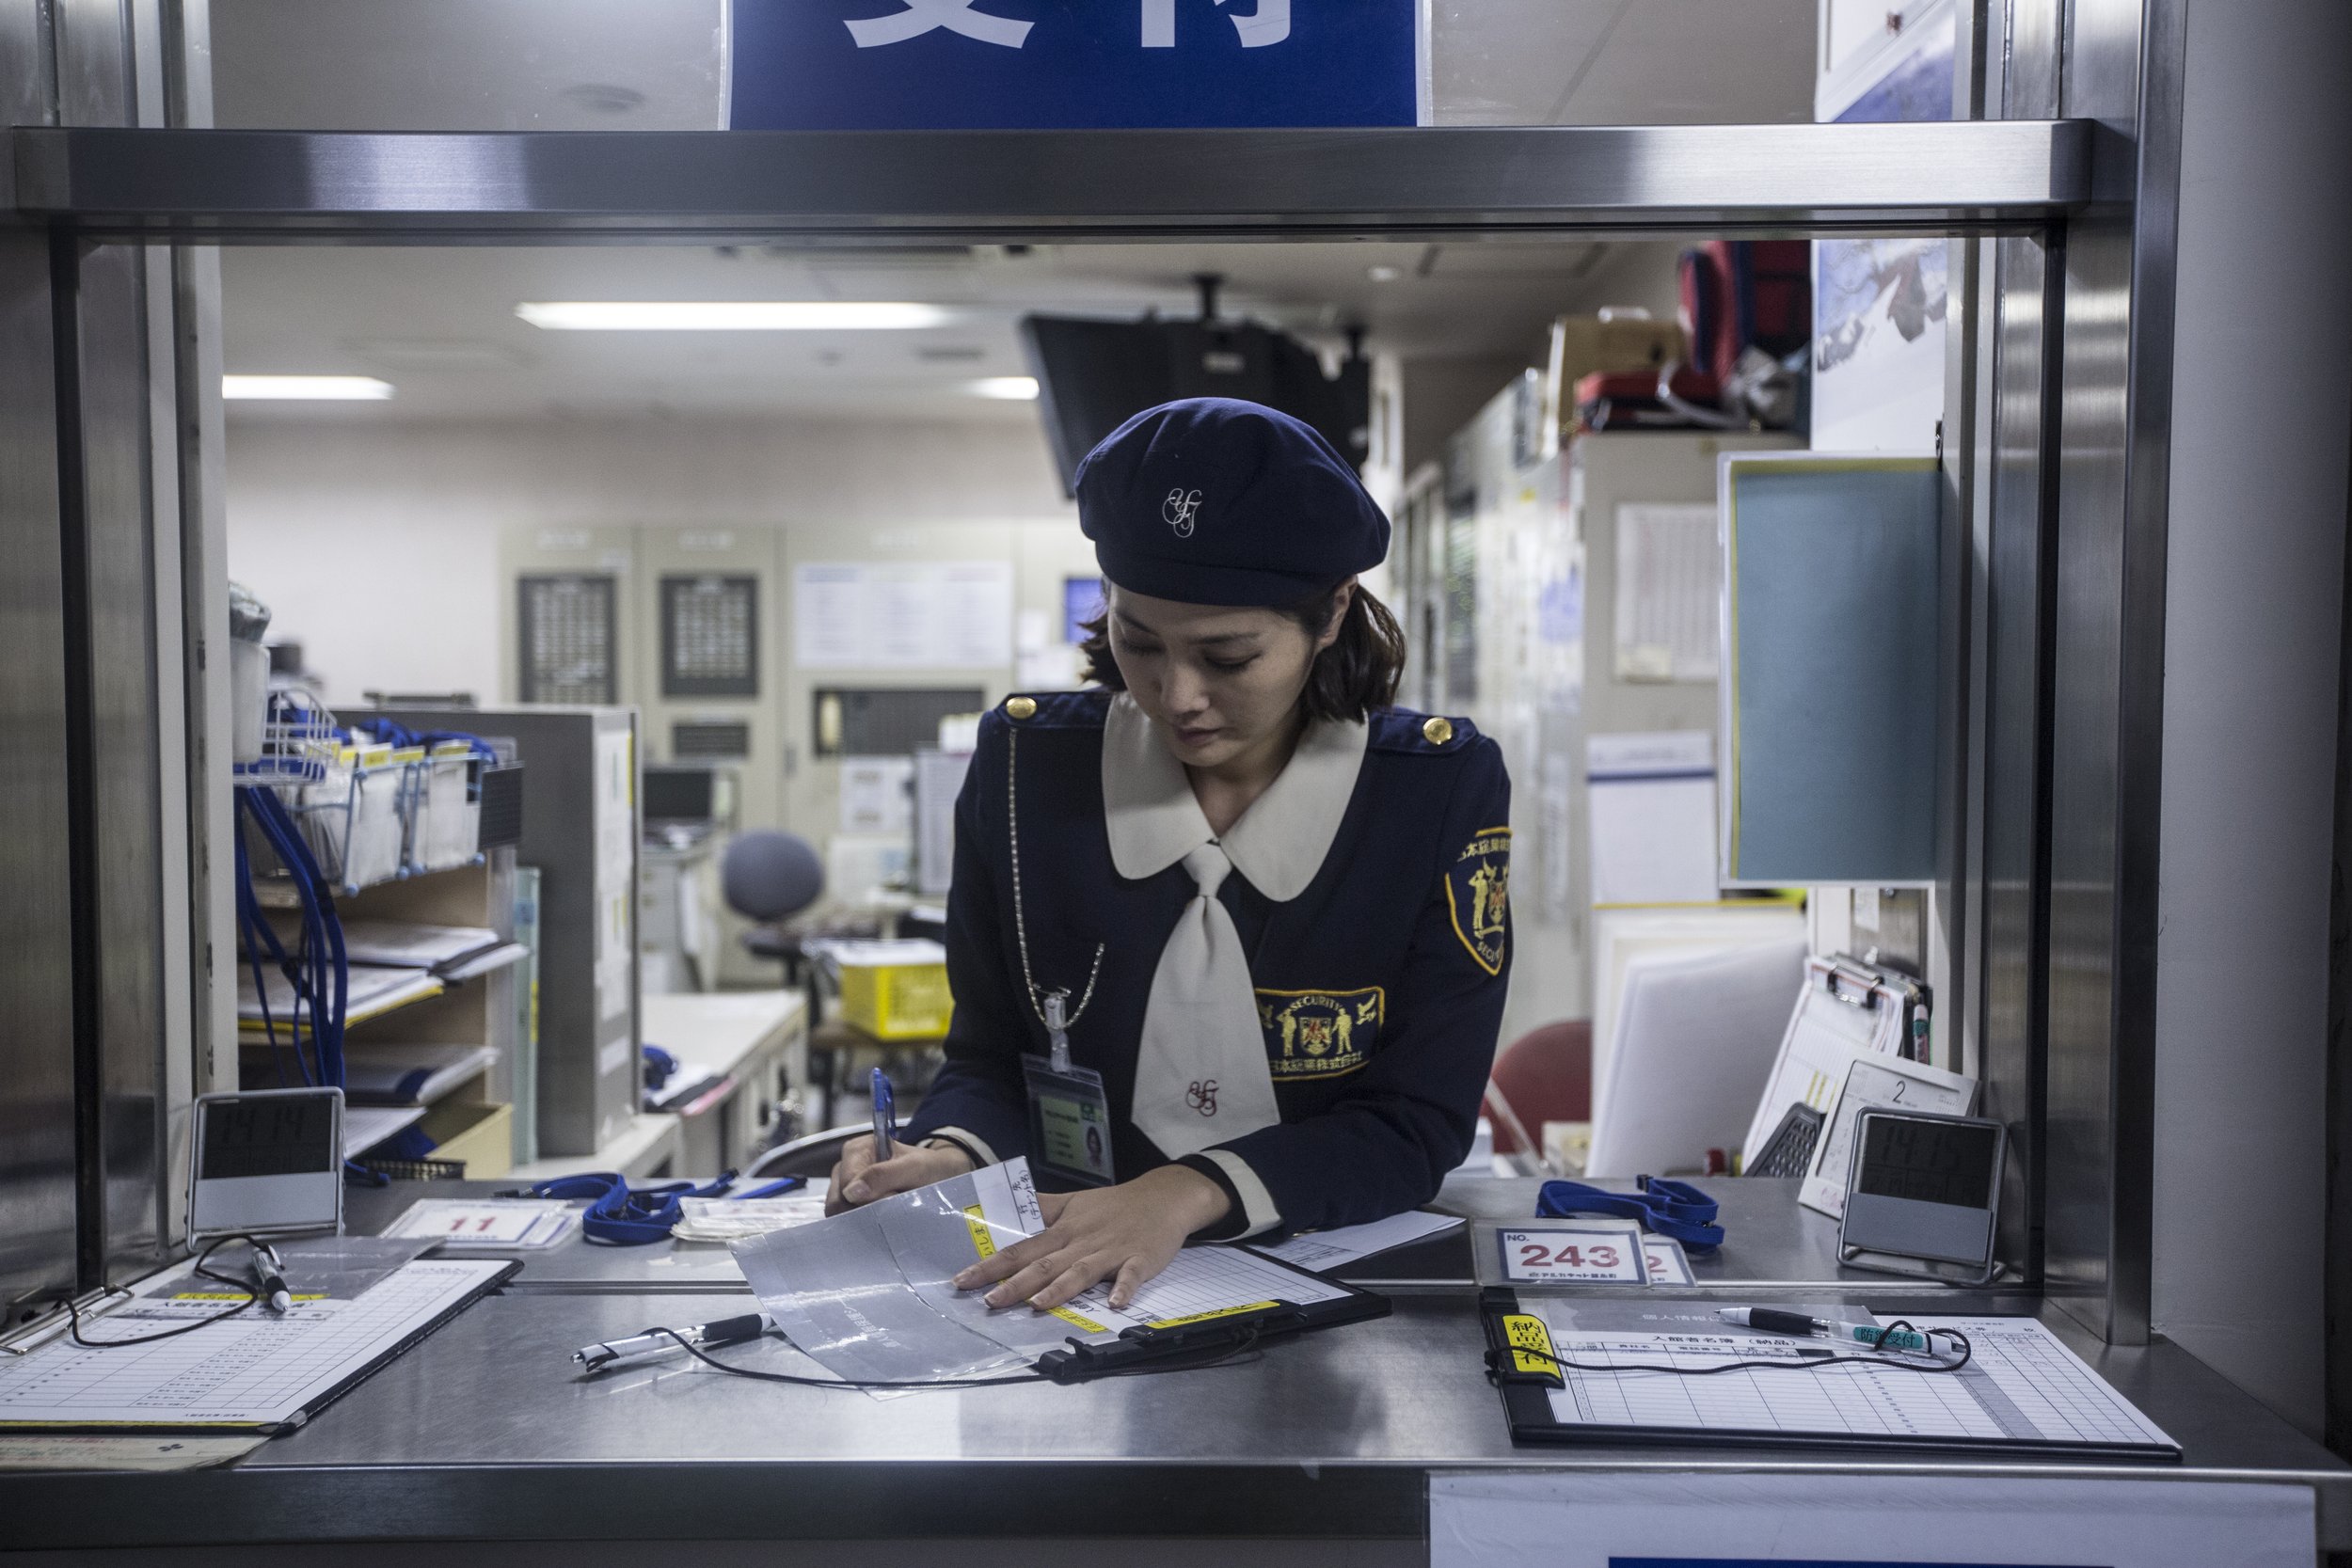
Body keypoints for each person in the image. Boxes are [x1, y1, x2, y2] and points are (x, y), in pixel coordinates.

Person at [828, 397, 1512, 1314]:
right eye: (1139, 640)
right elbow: (990, 1058)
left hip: (1332, 1270)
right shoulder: (1028, 767)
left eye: (1227, 655)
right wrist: (949, 1156)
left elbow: (1414, 1120)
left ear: (1331, 611)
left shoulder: (1430, 792)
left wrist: (1178, 1194)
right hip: (1060, 1275)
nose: (1176, 694)